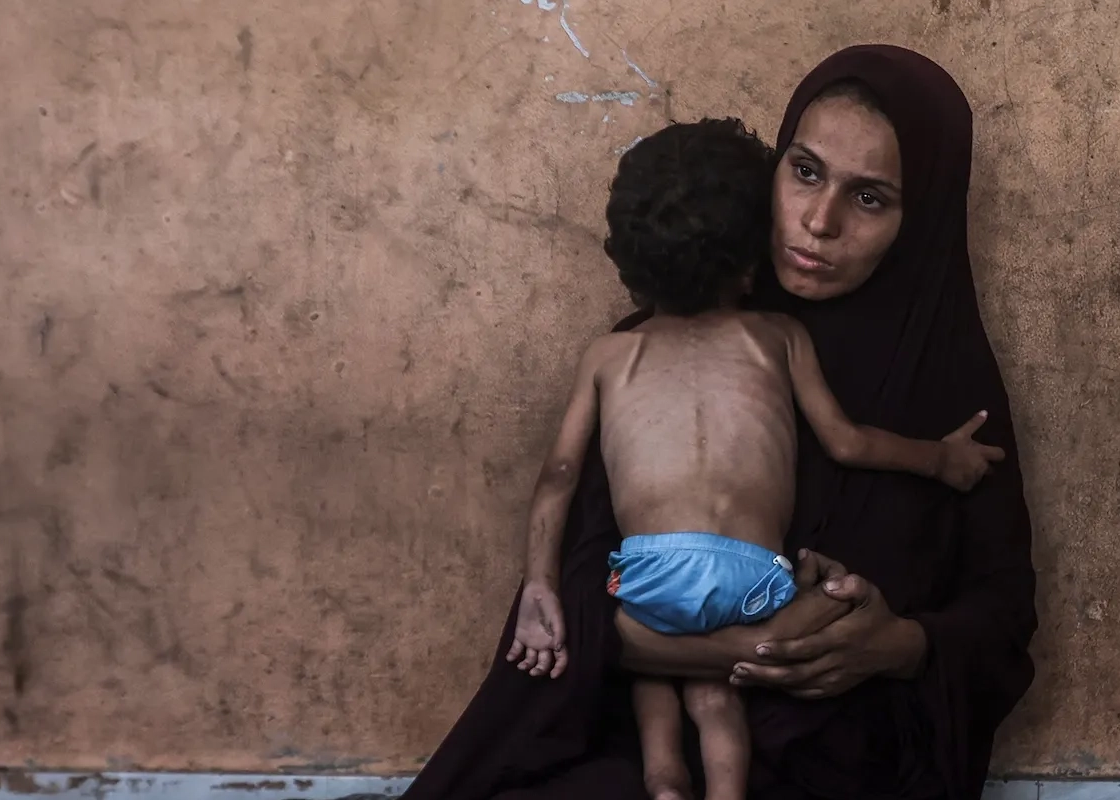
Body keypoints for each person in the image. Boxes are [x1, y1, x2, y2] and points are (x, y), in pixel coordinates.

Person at [400, 44, 1038, 800]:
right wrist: (751, 648)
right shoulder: (657, 345)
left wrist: (899, 645)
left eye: (870, 198)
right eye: (805, 172)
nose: (819, 222)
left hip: (846, 760)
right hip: (632, 750)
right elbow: (581, 594)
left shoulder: (948, 393)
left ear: (922, 215)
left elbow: (1001, 617)